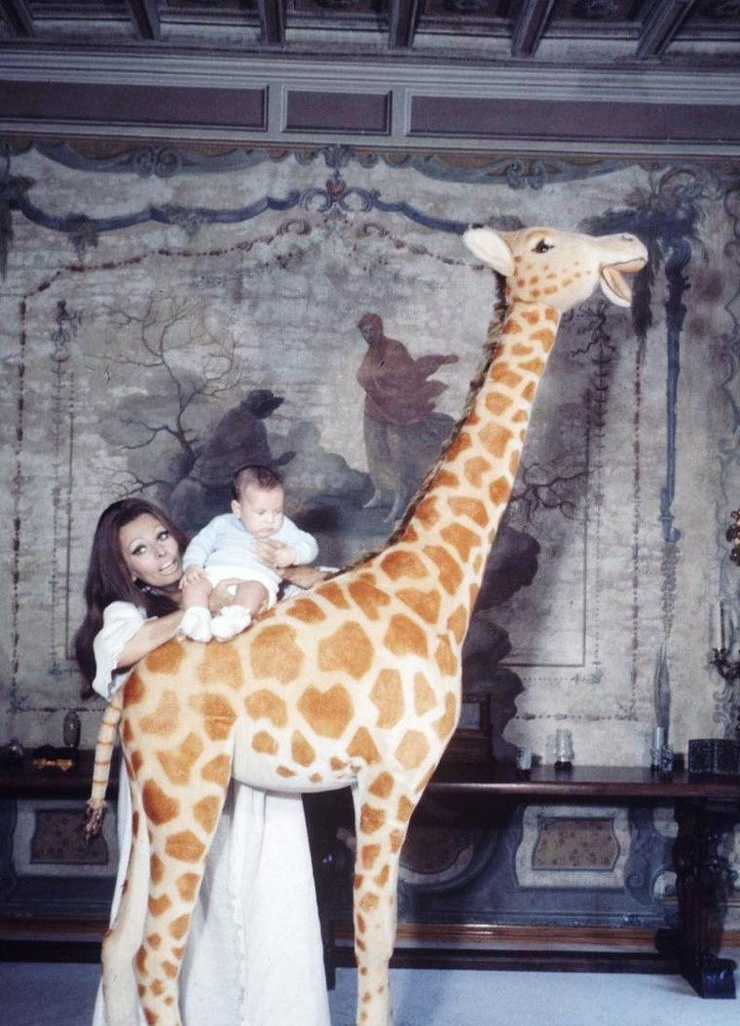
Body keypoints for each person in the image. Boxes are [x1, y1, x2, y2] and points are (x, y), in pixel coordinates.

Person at [74, 497, 331, 1026]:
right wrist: (198, 609)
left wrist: (280, 570)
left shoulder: (225, 568)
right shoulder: (131, 611)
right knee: (182, 905)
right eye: (140, 550)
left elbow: (311, 595)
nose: (161, 553)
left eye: (161, 536)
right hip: (176, 775)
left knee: (269, 894)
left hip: (250, 761)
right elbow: (119, 650)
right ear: (126, 568)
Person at [178, 463, 319, 643]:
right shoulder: (222, 523)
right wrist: (192, 565)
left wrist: (292, 554)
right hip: (215, 574)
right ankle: (197, 617)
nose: (271, 520)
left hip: (257, 579)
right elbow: (200, 544)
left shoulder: (284, 527)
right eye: (261, 512)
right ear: (237, 509)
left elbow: (310, 544)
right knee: (194, 584)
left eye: (278, 511)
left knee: (253, 589)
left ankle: (235, 619)